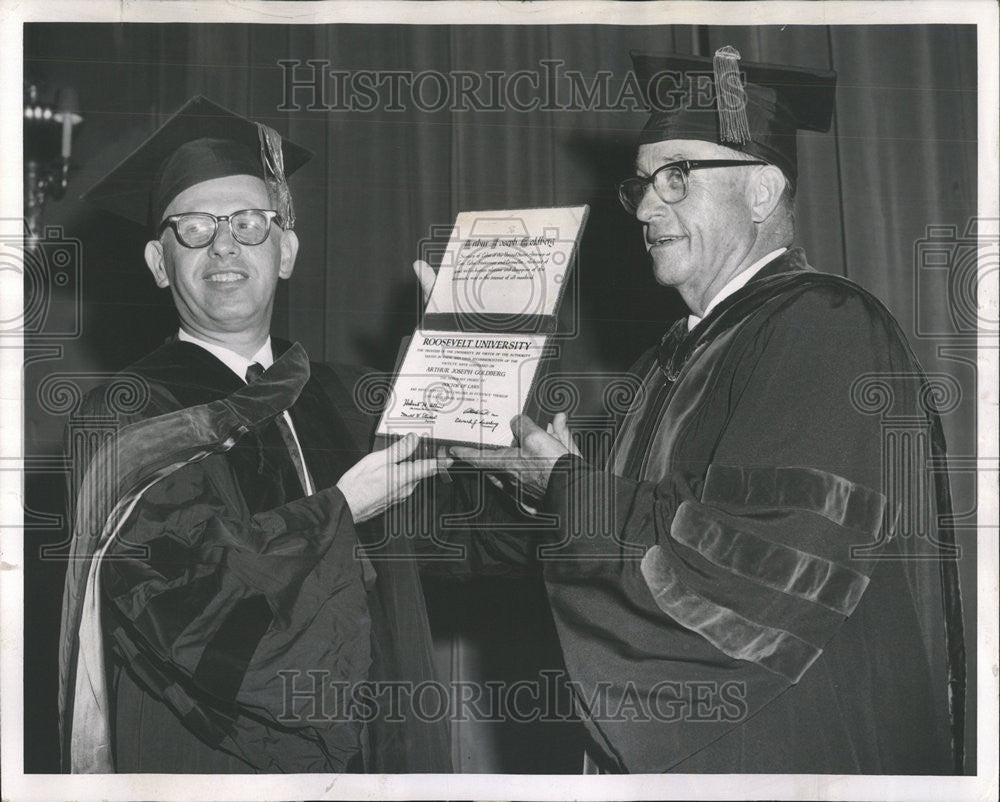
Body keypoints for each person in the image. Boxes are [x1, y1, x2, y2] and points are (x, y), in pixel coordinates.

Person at [451, 47, 967, 774]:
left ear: (762, 192)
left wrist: (569, 486)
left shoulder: (822, 325)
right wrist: (505, 447)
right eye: (643, 184)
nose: (647, 204)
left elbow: (753, 575)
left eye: (679, 176)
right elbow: (617, 539)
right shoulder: (672, 357)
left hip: (789, 749)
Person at [58, 96, 451, 774]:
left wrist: (477, 359)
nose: (225, 246)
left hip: (378, 759)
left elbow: (458, 537)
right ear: (158, 262)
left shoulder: (345, 400)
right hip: (215, 763)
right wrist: (341, 511)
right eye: (195, 229)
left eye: (248, 222)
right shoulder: (124, 419)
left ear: (286, 249)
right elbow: (186, 602)